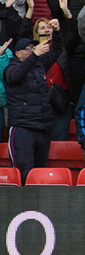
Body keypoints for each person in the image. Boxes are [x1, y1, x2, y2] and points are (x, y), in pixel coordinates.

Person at [5, 26, 63, 180]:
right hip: (23, 129)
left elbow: (57, 50)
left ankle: (37, 205)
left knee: (39, 174)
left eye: (33, 47)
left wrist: (57, 32)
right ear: (18, 53)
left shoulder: (39, 65)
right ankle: (22, 205)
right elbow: (16, 76)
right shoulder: (11, 68)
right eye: (27, 48)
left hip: (42, 128)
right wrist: (35, 55)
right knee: (24, 174)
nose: (32, 50)